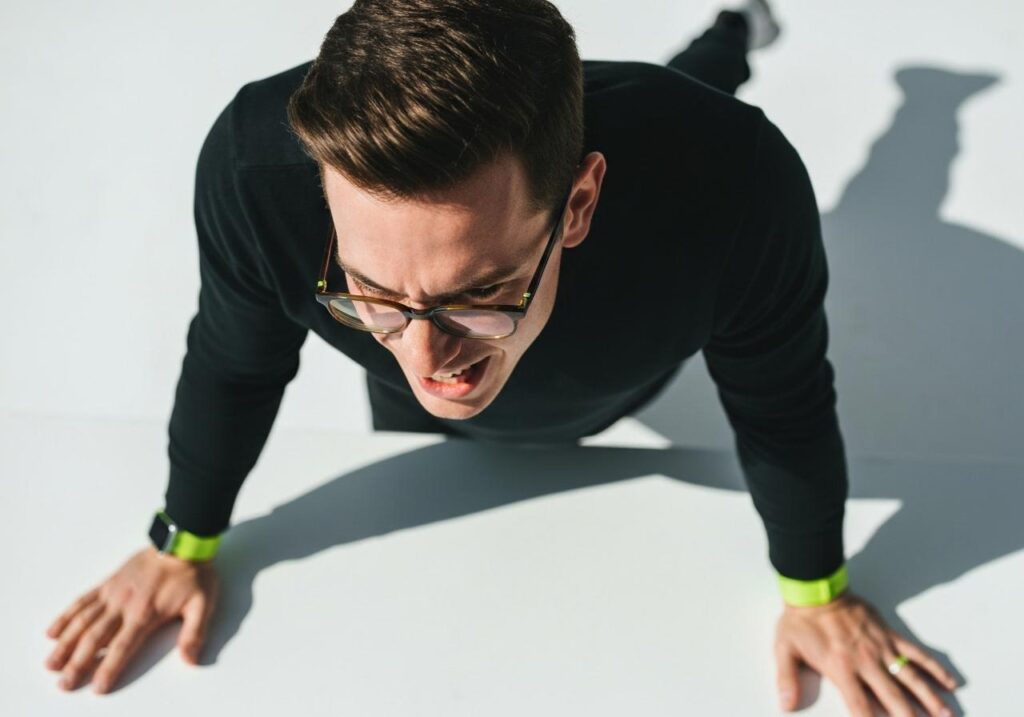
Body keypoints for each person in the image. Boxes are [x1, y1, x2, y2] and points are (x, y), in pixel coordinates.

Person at [43, 1, 959, 714]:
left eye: (480, 293)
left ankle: (736, 27)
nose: (428, 357)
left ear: (581, 204)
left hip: (667, 176)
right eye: (371, 292)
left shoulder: (736, 186)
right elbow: (236, 363)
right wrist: (182, 539)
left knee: (692, 86)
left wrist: (817, 592)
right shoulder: (254, 177)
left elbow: (781, 401)